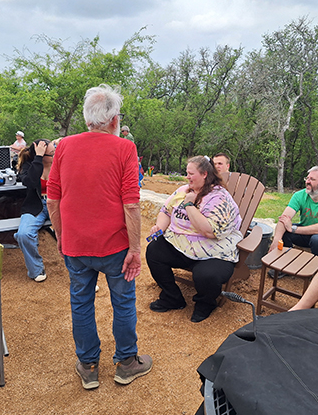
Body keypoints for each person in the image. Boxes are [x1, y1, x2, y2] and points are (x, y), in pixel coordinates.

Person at [47, 84, 152, 390]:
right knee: (123, 303)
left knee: (81, 303)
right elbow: (131, 204)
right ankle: (126, 363)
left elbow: (52, 200)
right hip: (115, 246)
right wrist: (135, 249)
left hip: (77, 246)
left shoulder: (64, 146)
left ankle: (89, 365)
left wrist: (61, 237)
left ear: (86, 119)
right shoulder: (125, 149)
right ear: (115, 120)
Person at [146, 155, 243, 323]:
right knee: (154, 251)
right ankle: (172, 298)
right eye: (186, 173)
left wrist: (189, 205)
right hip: (182, 244)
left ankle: (206, 304)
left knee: (205, 275)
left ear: (205, 174)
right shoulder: (183, 191)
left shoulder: (218, 198)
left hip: (214, 251)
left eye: (191, 173)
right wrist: (160, 227)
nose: (187, 177)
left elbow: (209, 231)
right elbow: (166, 211)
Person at [269, 166, 318, 265]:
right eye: (307, 178)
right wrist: (277, 239)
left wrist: (293, 229)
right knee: (284, 231)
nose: (307, 181)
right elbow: (284, 218)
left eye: (312, 179)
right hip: (307, 233)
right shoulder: (299, 195)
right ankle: (285, 264)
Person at [14, 138, 59, 282]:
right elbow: (31, 182)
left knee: (73, 232)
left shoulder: (60, 164)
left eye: (54, 151)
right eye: (51, 153)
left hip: (57, 205)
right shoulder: (29, 166)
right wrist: (38, 158)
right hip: (36, 205)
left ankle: (81, 275)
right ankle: (36, 269)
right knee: (23, 234)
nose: (54, 155)